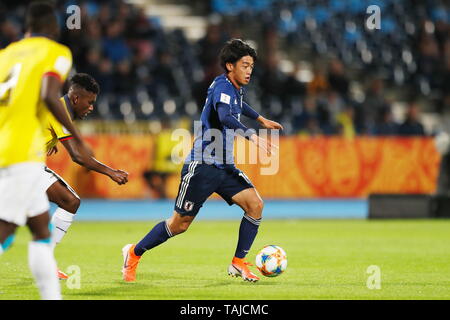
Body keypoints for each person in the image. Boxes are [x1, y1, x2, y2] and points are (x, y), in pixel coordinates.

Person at [121, 39, 283, 282]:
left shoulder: (234, 88)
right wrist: (252, 135)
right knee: (179, 225)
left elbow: (239, 106)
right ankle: (133, 253)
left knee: (255, 205)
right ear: (230, 66)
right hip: (203, 166)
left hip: (225, 167)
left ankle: (238, 263)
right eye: (245, 65)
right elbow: (226, 116)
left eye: (251, 66)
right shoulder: (222, 86)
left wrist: (260, 119)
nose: (250, 71)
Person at [0, 1, 92, 300]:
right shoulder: (56, 52)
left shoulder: (6, 55)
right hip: (20, 153)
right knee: (5, 232)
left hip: (6, 146)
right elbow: (49, 94)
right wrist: (77, 134)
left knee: (41, 233)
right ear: (52, 28)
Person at [43, 73, 129, 279]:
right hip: (20, 164)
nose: (91, 107)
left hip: (15, 163)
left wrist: (48, 141)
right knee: (69, 201)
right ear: (75, 99)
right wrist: (111, 172)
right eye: (89, 102)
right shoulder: (60, 111)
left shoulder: (55, 108)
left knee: (14, 218)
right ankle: (45, 263)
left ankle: (45, 261)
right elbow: (78, 156)